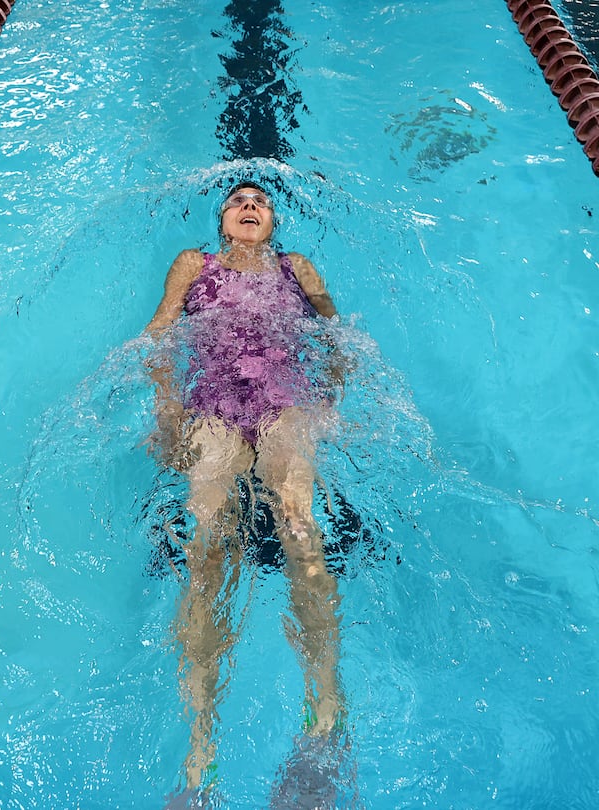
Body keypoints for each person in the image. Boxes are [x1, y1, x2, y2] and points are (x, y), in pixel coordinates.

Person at [144, 181, 347, 801]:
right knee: (204, 546)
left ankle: (325, 716)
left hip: (285, 410)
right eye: (238, 202)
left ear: (275, 219)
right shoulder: (193, 265)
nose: (250, 206)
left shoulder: (298, 268)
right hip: (213, 411)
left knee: (300, 530)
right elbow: (159, 336)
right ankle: (199, 751)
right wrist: (166, 411)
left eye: (260, 201)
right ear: (224, 222)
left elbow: (339, 338)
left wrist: (330, 403)